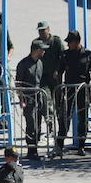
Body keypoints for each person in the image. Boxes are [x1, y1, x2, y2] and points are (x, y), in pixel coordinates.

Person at [60, 29, 91, 156]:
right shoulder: (65, 54)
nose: (68, 45)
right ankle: (60, 144)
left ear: (76, 42)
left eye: (70, 42)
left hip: (83, 90)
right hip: (69, 90)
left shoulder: (87, 55)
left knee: (83, 118)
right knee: (65, 117)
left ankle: (81, 145)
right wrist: (60, 89)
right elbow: (59, 72)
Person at [34, 21, 68, 158]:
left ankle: (58, 126)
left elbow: (62, 57)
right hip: (42, 77)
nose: (41, 33)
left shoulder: (56, 41)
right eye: (40, 30)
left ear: (48, 29)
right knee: (44, 99)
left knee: (59, 102)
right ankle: (49, 123)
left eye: (43, 30)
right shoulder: (36, 42)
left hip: (54, 77)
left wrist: (58, 71)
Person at [15, 40, 47, 160]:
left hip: (37, 97)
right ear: (36, 50)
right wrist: (21, 98)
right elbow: (18, 84)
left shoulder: (40, 63)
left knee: (38, 124)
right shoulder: (23, 64)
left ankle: (35, 149)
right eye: (42, 49)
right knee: (31, 124)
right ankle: (31, 150)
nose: (44, 51)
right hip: (28, 98)